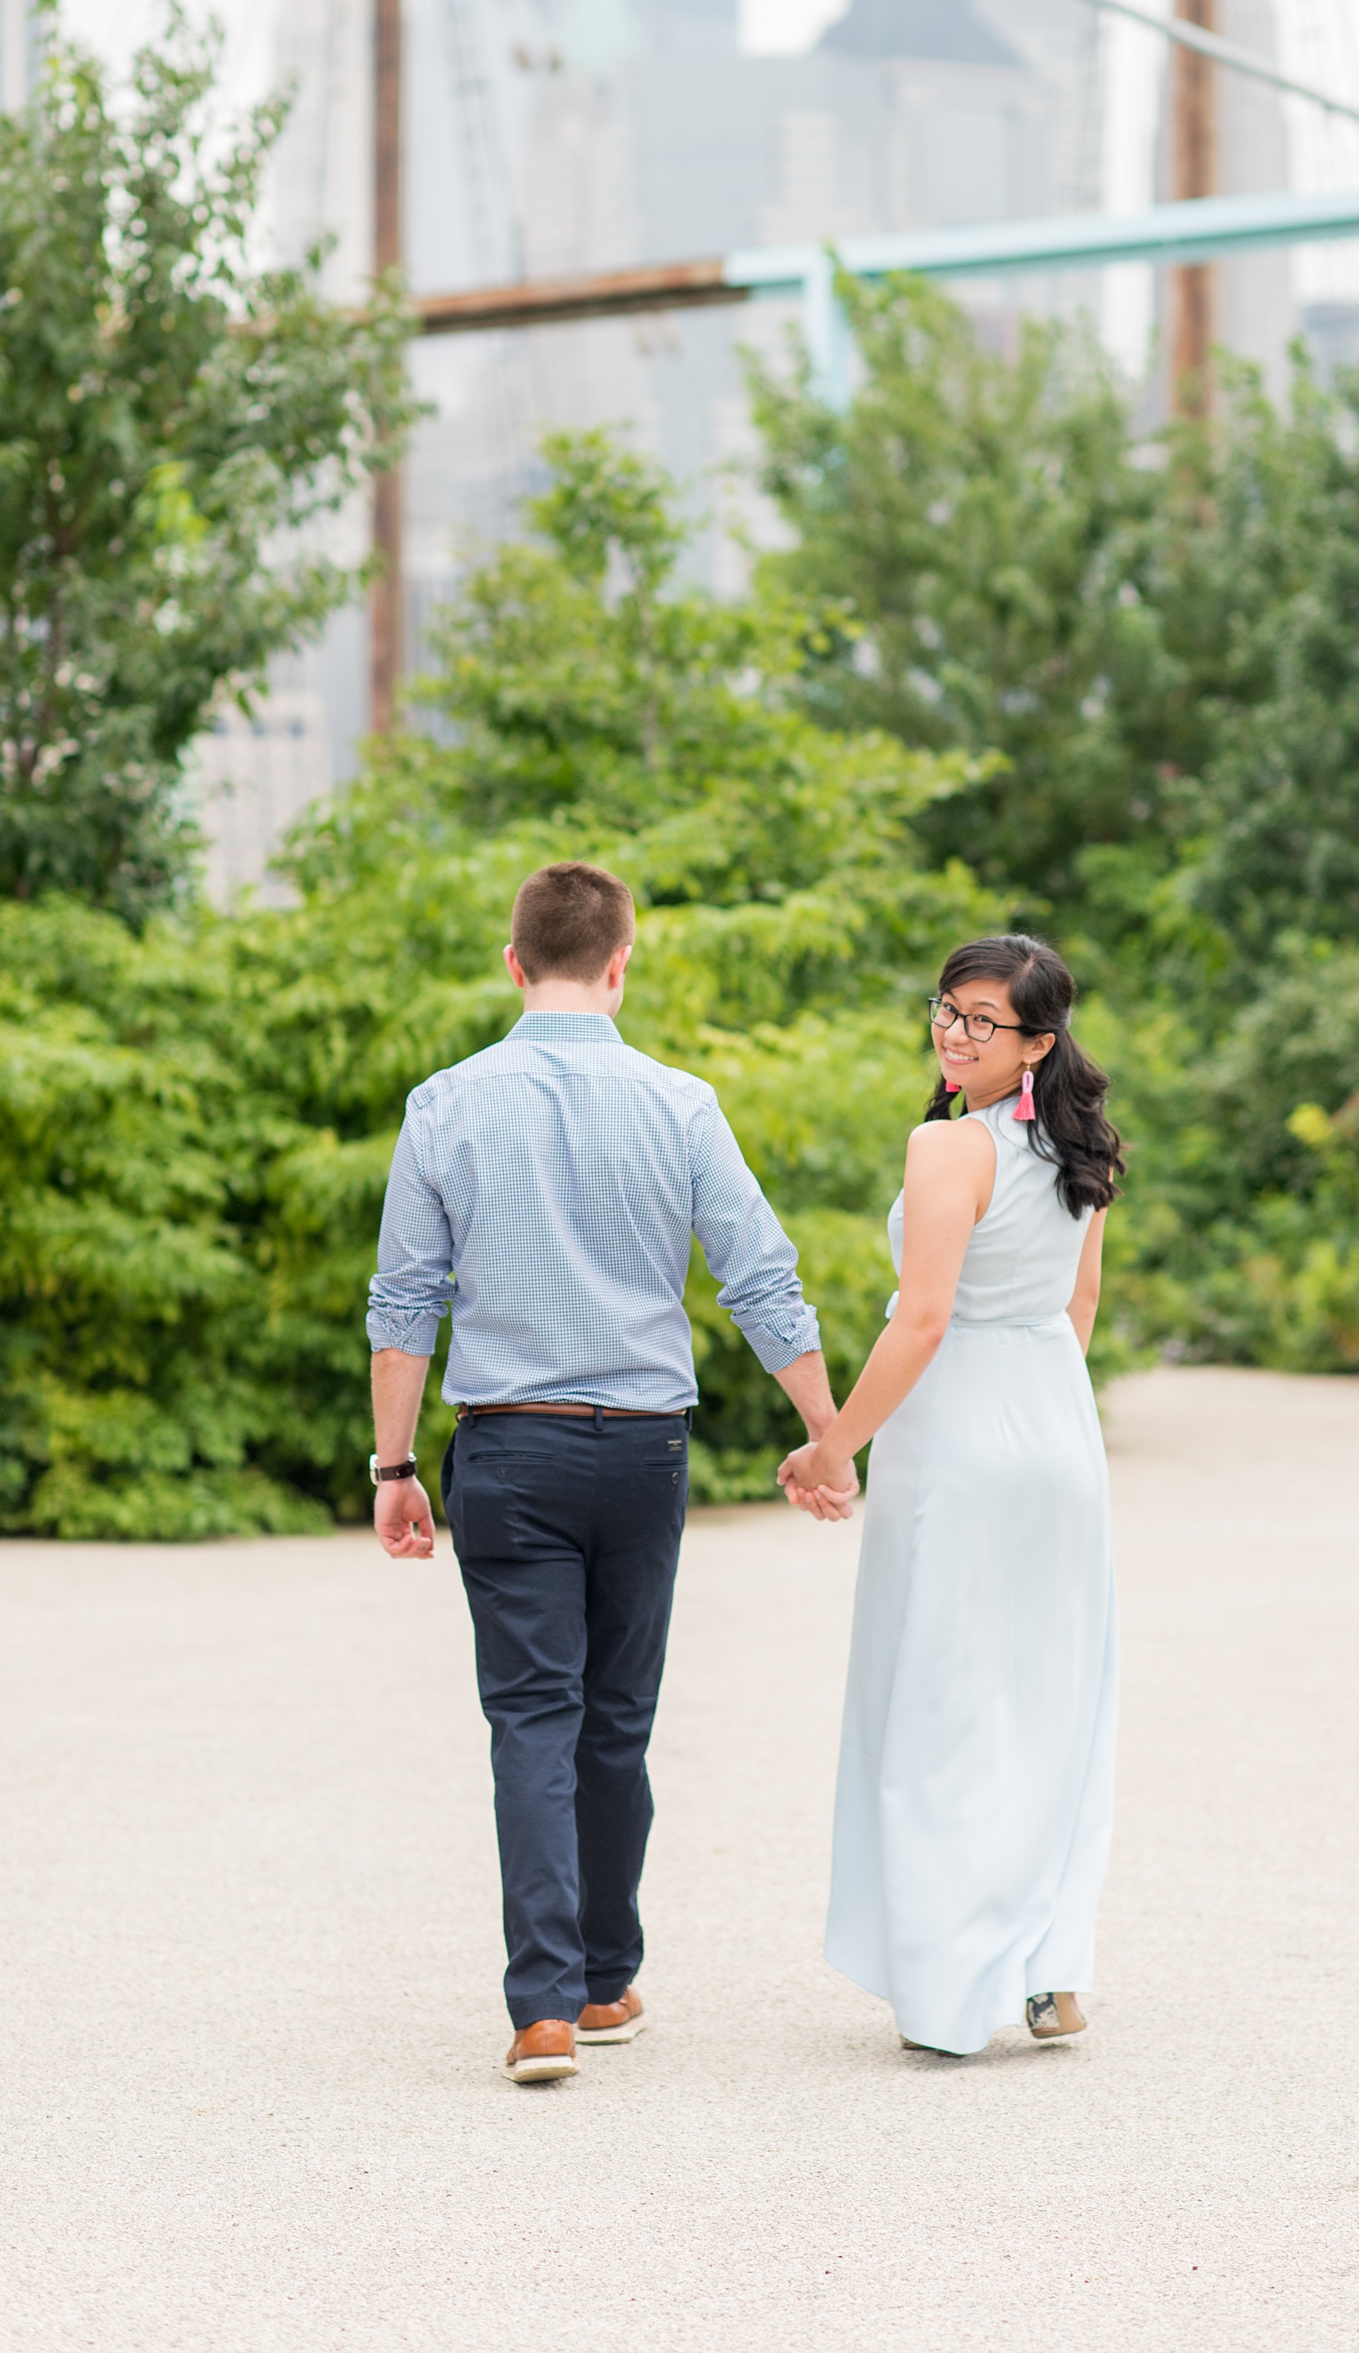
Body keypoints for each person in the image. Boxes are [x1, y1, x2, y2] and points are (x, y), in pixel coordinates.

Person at [366, 860, 853, 2085]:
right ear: (622, 961)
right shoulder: (680, 1104)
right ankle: (602, 1977)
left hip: (509, 1442)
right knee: (616, 1723)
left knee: (530, 1714)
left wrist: (393, 1461)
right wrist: (828, 1430)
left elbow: (404, 1298)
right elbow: (760, 1274)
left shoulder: (443, 1104)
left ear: (514, 961)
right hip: (643, 1445)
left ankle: (540, 2010)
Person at [779, 933, 1123, 2059]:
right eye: (945, 1008)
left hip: (962, 1440)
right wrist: (1038, 1406)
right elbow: (1076, 1309)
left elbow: (919, 1320)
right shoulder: (1082, 1150)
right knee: (1046, 1701)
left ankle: (949, 1988)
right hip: (1054, 1431)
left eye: (981, 1019)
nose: (951, 1031)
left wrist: (834, 1447)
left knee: (943, 1705)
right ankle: (1048, 1967)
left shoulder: (947, 1148)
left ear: (1035, 1041)